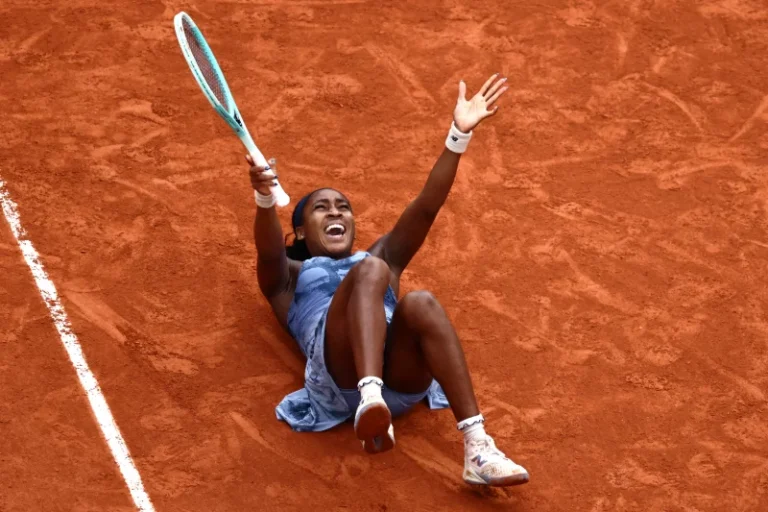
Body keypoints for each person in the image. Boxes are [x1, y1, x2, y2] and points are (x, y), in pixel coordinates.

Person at [247, 74, 529, 487]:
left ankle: (477, 446)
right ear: (302, 232)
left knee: (421, 302)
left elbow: (426, 208)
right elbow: (270, 250)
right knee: (373, 270)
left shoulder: (380, 257)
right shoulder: (287, 278)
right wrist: (265, 197)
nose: (336, 213)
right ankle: (369, 395)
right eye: (321, 208)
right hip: (340, 381)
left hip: (399, 379)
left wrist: (458, 136)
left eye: (343, 207)